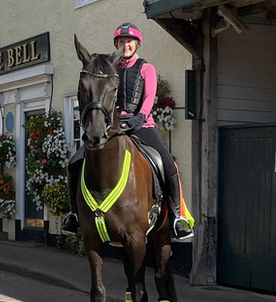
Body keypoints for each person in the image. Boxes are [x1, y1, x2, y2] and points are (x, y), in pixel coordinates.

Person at [61, 23, 193, 241]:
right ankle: (74, 214)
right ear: (117, 45)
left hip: (141, 125)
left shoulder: (146, 69)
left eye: (129, 42)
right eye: (121, 42)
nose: (125, 45)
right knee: (75, 163)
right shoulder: (111, 69)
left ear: (136, 44)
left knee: (167, 163)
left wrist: (140, 116)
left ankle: (178, 217)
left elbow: (149, 96)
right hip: (113, 127)